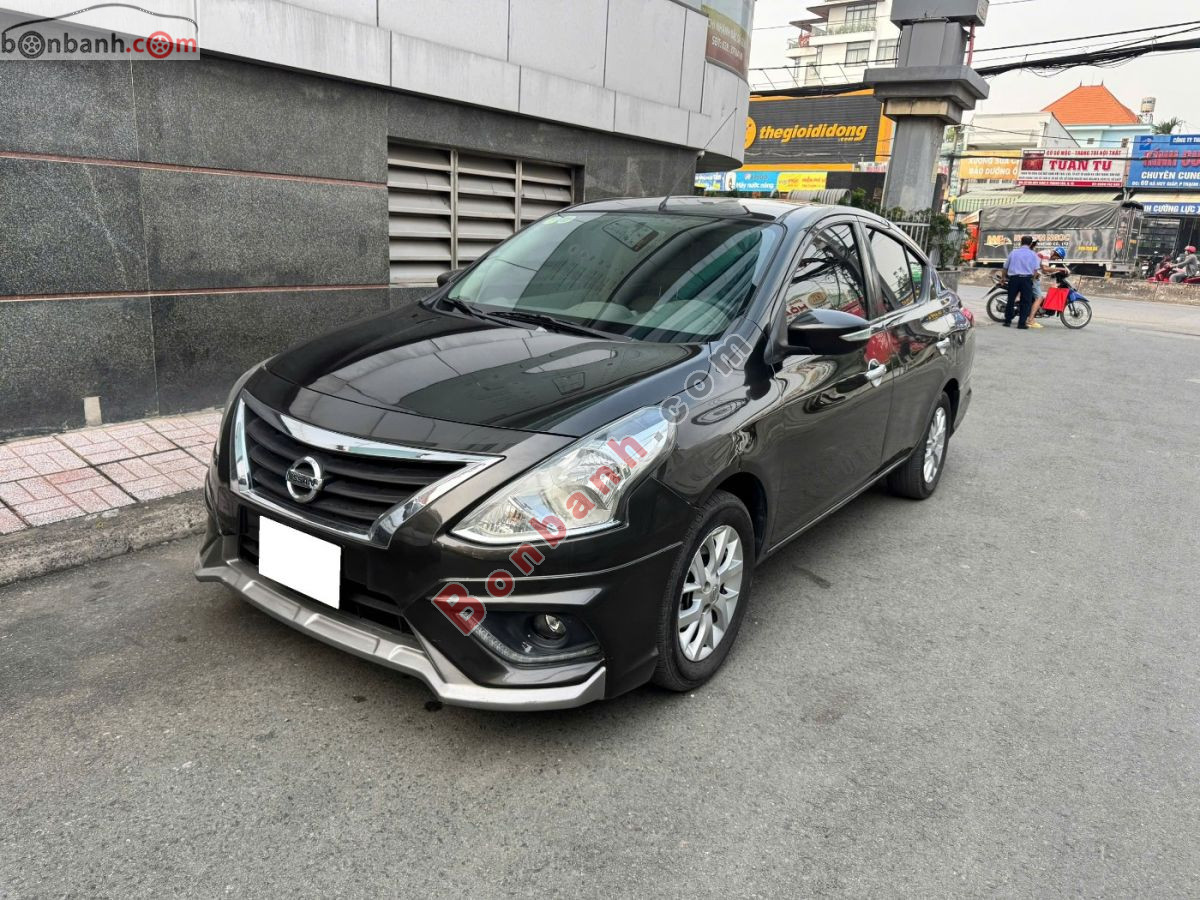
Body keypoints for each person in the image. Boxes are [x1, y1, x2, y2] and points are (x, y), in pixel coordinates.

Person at [1002, 235, 1040, 329]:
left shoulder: (1013, 253)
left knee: (1011, 300)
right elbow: (1035, 270)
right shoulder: (1033, 254)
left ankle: (1007, 321)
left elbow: (1005, 267)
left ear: (1021, 243)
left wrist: (1003, 278)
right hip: (1026, 280)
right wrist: (1032, 279)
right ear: (1030, 244)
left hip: (1014, 279)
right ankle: (1021, 324)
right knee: (1026, 302)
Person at [1026, 240, 1053, 329]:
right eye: (1057, 258)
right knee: (1039, 298)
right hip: (1033, 277)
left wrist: (1051, 272)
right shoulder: (1047, 254)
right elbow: (1044, 268)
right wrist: (1059, 269)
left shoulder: (1039, 253)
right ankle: (1030, 320)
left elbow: (1042, 268)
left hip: (1028, 275)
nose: (1056, 259)